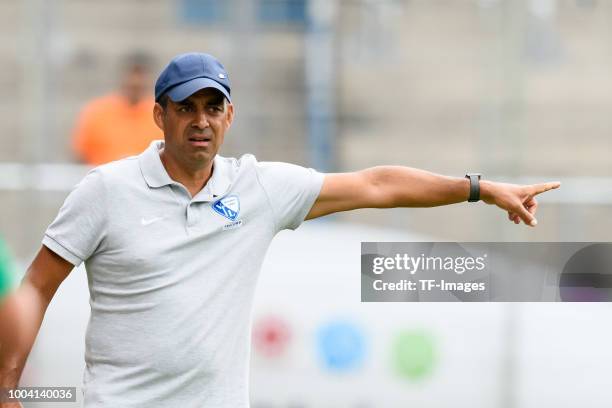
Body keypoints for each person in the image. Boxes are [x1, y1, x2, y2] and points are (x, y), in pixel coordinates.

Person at [0, 52, 560, 407]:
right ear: (160, 116)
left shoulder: (259, 188)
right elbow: (37, 287)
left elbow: (375, 185)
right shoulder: (106, 191)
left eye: (212, 107)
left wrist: (481, 188)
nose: (201, 120)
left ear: (229, 116)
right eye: (186, 106)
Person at [72, 51, 163, 165]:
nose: (135, 81)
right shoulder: (96, 112)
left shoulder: (162, 114)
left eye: (141, 75)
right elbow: (80, 155)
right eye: (131, 74)